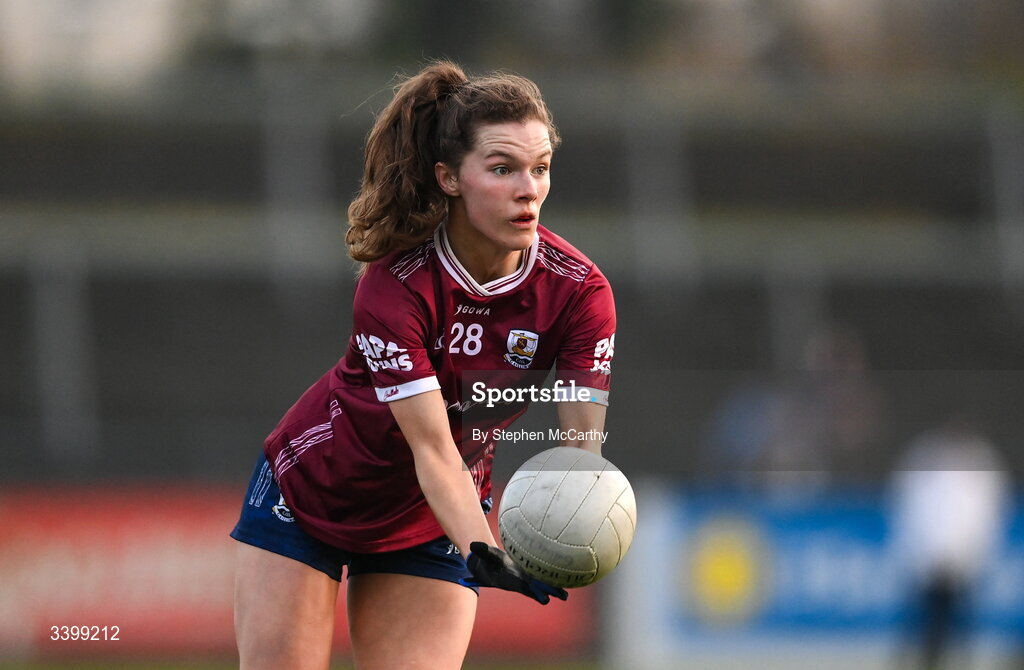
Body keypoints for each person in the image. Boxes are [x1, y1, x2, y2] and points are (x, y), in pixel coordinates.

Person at [230, 60, 616, 670]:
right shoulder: (396, 285)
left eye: (540, 168)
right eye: (502, 168)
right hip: (313, 495)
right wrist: (482, 547)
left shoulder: (579, 292)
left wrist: (572, 522)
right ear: (449, 178)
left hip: (431, 517)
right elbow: (432, 448)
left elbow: (579, 456)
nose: (529, 188)